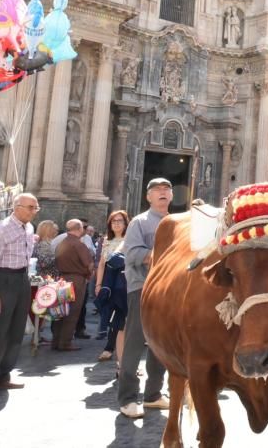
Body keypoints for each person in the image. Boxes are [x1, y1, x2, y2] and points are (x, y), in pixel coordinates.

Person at [117, 179, 172, 419]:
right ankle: (128, 398)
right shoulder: (140, 222)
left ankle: (153, 395)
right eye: (157, 190)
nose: (163, 193)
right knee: (135, 342)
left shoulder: (176, 223)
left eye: (166, 189)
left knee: (161, 344)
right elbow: (132, 252)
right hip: (142, 287)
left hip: (168, 290)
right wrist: (167, 256)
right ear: (148, 197)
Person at [0, 193, 39, 397]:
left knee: (16, 330)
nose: (34, 211)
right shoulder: (0, 229)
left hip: (22, 279)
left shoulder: (30, 228)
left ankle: (4, 375)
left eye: (35, 208)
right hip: (2, 280)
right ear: (17, 207)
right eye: (31, 207)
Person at [53, 220, 93, 351]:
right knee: (73, 311)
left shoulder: (62, 243)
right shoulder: (78, 244)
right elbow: (89, 264)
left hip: (62, 279)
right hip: (76, 280)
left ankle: (56, 340)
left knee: (61, 311)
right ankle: (65, 343)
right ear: (79, 229)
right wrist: (90, 274)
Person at [96, 210, 129, 365]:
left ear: (125, 223)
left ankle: (113, 351)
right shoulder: (106, 241)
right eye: (113, 221)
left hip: (124, 283)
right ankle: (111, 349)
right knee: (113, 316)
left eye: (120, 220)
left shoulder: (130, 239)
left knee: (121, 318)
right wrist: (98, 284)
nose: (116, 223)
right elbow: (102, 264)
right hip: (110, 283)